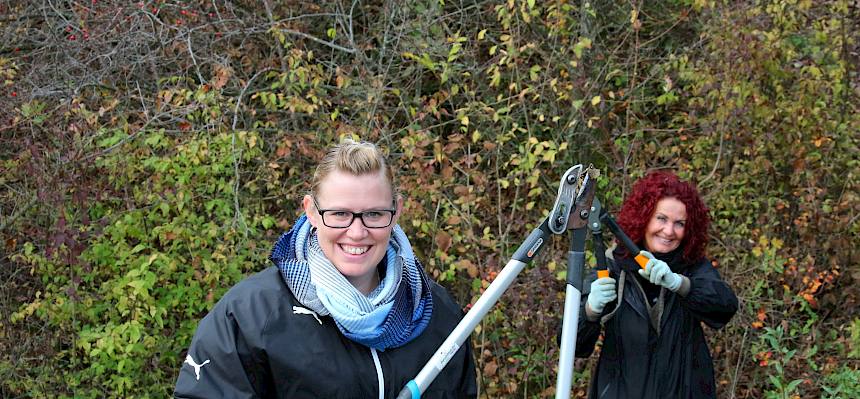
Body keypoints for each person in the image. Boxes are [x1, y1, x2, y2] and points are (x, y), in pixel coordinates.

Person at [175, 139, 477, 398]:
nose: (357, 232)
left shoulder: (435, 313)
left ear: (396, 212)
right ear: (311, 211)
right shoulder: (250, 317)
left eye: (373, 214)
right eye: (340, 214)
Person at [575, 171, 738, 398]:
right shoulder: (614, 266)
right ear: (644, 218)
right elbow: (572, 345)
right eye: (661, 219)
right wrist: (589, 311)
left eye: (679, 223)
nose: (669, 231)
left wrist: (681, 284)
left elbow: (726, 305)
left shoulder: (693, 267)